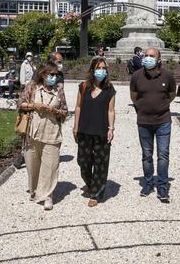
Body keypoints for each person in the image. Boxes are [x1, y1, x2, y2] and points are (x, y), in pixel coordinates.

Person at [17, 64, 68, 210]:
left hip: (52, 132)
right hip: (33, 133)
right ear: (43, 74)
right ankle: (34, 191)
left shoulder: (59, 90)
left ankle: (48, 196)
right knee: (33, 165)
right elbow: (20, 104)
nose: (53, 77)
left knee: (51, 166)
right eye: (50, 74)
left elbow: (65, 112)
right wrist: (34, 106)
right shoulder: (32, 87)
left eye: (55, 75)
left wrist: (55, 110)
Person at [130, 47, 177, 203]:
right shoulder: (136, 76)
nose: (147, 58)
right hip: (144, 122)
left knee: (163, 154)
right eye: (146, 55)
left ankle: (162, 186)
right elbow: (134, 97)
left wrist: (161, 106)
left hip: (163, 121)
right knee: (147, 155)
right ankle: (149, 183)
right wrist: (143, 108)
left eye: (151, 56)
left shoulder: (168, 76)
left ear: (159, 60)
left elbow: (171, 94)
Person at [73, 57, 116, 207]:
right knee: (83, 162)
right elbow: (78, 107)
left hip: (101, 132)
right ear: (92, 70)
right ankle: (91, 184)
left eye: (104, 68)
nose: (101, 71)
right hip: (84, 130)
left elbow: (111, 110)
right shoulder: (83, 86)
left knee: (100, 164)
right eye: (98, 68)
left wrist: (111, 128)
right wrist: (75, 126)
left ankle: (96, 193)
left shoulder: (109, 89)